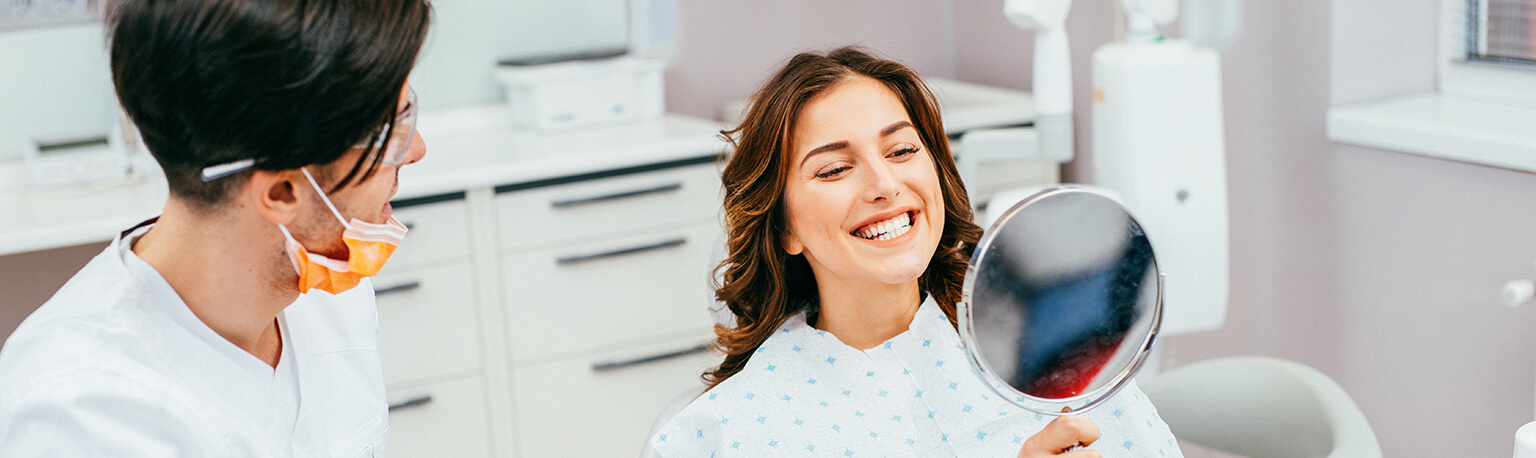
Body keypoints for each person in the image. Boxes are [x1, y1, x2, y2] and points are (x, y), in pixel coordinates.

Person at [650, 47, 1183, 457]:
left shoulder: (1060, 366)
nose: (884, 184)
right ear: (785, 228)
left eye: (902, 150)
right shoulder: (727, 432)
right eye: (834, 168)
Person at [0, 0, 430, 455]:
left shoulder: (326, 292)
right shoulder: (82, 417)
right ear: (283, 192)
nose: (417, 149)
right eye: (391, 132)